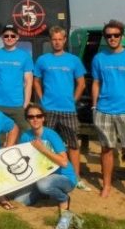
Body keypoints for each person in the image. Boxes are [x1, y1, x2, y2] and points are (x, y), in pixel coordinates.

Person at [33, 26, 89, 191]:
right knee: (46, 144)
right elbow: (36, 81)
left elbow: (81, 83)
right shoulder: (43, 59)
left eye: (60, 39)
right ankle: (44, 175)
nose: (57, 42)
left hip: (68, 110)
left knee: (72, 145)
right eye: (54, 39)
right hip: (48, 110)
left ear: (65, 40)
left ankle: (76, 177)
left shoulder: (73, 60)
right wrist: (42, 99)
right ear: (51, 41)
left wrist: (74, 99)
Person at [14, 104, 77, 220]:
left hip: (64, 177)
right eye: (31, 117)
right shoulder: (25, 136)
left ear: (43, 118)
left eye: (38, 116)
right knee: (19, 201)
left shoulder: (51, 135)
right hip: (40, 176)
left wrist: (43, 149)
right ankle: (44, 193)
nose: (35, 119)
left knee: (43, 184)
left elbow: (64, 162)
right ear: (27, 119)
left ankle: (63, 198)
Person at [91, 19, 125, 197]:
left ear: (121, 36)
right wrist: (94, 106)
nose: (112, 38)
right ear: (105, 38)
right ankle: (107, 185)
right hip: (104, 110)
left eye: (116, 35)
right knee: (106, 149)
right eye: (109, 35)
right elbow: (96, 83)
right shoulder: (99, 58)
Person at [0, 24, 33, 131]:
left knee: (25, 134)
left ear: (17, 37)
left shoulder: (25, 56)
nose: (9, 38)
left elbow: (28, 81)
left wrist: (25, 104)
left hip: (18, 105)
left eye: (12, 35)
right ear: (2, 37)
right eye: (6, 36)